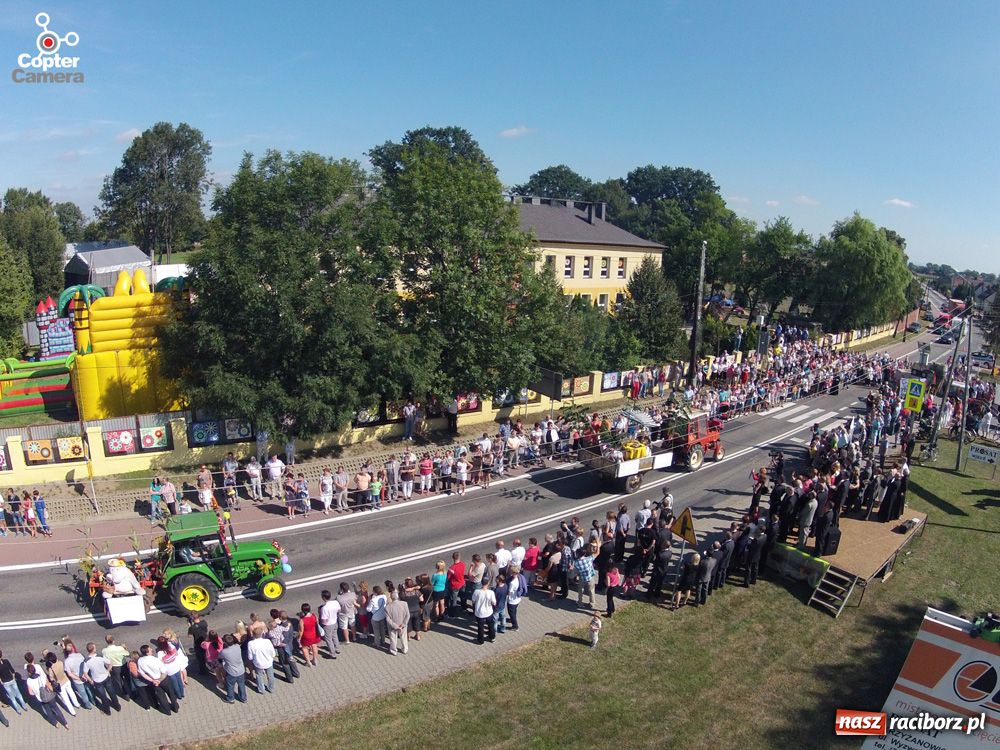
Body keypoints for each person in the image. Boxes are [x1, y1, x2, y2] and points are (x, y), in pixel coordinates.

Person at [136, 645, 179, 714]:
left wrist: (153, 680)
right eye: (150, 649)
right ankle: (175, 708)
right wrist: (159, 680)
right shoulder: (156, 660)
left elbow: (143, 674)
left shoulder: (140, 661)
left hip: (154, 682)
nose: (152, 649)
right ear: (147, 652)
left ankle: (167, 711)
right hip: (163, 680)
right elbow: (164, 673)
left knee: (161, 697)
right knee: (171, 694)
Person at [25, 664, 68, 729]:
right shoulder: (42, 677)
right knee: (56, 709)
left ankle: (55, 724)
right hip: (49, 696)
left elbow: (31, 693)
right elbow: (49, 686)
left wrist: (36, 693)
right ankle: (65, 723)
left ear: (29, 672)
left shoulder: (29, 681)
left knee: (48, 711)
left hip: (41, 699)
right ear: (35, 670)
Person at [83, 641, 121, 714]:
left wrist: (90, 680)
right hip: (106, 677)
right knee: (112, 693)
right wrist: (107, 671)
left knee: (103, 697)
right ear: (94, 649)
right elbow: (110, 663)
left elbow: (85, 673)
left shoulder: (86, 661)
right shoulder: (100, 656)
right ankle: (117, 707)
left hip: (97, 681)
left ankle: (107, 711)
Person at [247, 624, 277, 694]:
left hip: (258, 663)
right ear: (262, 634)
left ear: (253, 635)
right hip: (268, 662)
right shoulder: (267, 641)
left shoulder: (251, 643)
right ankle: (271, 688)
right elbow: (273, 653)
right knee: (270, 676)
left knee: (259, 676)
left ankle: (261, 689)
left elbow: (250, 657)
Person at [218, 634, 246, 703]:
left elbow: (219, 657)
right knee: (241, 684)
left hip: (231, 672)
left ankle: (230, 698)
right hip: (241, 670)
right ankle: (243, 698)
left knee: (230, 685)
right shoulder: (237, 646)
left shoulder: (224, 652)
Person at [0, 650, 27, 715]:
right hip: (12, 680)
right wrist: (14, 677)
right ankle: (24, 707)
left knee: (12, 697)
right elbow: (12, 670)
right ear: (1, 655)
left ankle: (18, 710)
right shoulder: (6, 661)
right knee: (18, 694)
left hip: (5, 682)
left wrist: (1, 682)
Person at [385, 590, 410, 655]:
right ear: (398, 596)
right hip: (403, 626)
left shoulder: (387, 607)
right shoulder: (405, 604)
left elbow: (388, 619)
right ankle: (405, 649)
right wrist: (403, 624)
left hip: (392, 627)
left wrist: (395, 626)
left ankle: (393, 651)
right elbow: (407, 615)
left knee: (393, 639)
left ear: (391, 597)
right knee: (403, 638)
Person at [472, 579, 497, 644]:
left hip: (479, 613)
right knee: (490, 625)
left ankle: (481, 640)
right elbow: (494, 603)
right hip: (489, 612)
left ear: (481, 583)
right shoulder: (491, 592)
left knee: (480, 627)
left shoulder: (476, 592)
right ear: (488, 583)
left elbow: (473, 600)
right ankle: (492, 638)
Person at [319, 589, 341, 659]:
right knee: (335, 635)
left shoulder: (324, 608)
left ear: (323, 597)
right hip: (335, 622)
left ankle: (332, 654)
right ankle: (337, 648)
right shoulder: (335, 602)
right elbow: (339, 610)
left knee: (328, 639)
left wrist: (320, 623)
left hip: (328, 625)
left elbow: (324, 621)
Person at [298, 603, 322, 667]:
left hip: (306, 636)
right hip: (314, 634)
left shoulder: (302, 620)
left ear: (302, 610)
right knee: (314, 646)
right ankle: (315, 660)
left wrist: (299, 638)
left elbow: (301, 631)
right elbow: (316, 624)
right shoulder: (314, 616)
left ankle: (308, 662)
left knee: (304, 648)